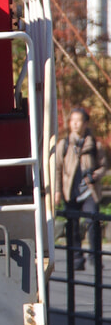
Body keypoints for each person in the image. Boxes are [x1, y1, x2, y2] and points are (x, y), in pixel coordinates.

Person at [53, 107, 109, 270]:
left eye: (79, 121)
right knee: (73, 227)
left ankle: (95, 258)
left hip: (89, 191)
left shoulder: (94, 144)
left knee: (93, 222)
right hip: (70, 191)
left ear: (85, 123)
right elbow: (57, 169)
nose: (75, 124)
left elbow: (104, 165)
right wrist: (57, 191)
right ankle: (76, 260)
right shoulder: (63, 145)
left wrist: (95, 175)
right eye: (72, 121)